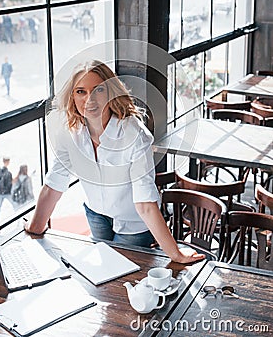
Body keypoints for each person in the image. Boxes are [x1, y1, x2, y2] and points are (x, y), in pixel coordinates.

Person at [25, 60, 204, 264]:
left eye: (98, 90)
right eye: (81, 91)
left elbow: (145, 204)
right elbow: (53, 186)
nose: (90, 99)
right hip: (95, 214)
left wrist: (176, 254)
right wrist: (36, 228)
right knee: (104, 272)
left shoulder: (134, 135)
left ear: (111, 92)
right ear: (73, 97)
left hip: (133, 222)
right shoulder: (70, 134)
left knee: (123, 276)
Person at [0, 157, 13, 223]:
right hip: (6, 193)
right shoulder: (8, 172)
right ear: (8, 162)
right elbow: (10, 184)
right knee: (16, 205)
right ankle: (19, 220)